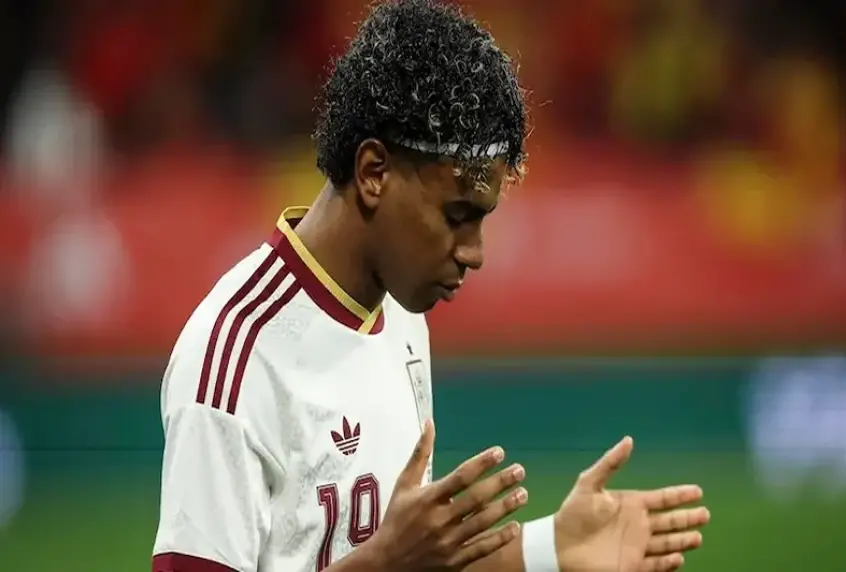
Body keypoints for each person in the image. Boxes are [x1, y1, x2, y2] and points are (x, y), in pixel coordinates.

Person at [151, 1, 710, 571]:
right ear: (374, 173)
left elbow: (418, 563)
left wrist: (553, 550)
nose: (475, 253)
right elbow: (396, 562)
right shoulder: (234, 360)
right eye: (456, 215)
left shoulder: (401, 316)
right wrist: (383, 563)